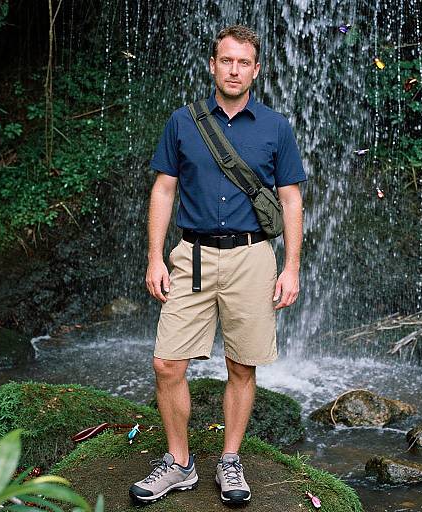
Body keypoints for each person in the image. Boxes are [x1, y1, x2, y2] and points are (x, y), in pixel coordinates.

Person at [129, 24, 306, 505]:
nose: (234, 69)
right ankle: (180, 463)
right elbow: (163, 189)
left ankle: (230, 461)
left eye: (243, 62)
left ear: (256, 69)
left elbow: (291, 200)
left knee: (242, 366)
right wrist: (154, 257)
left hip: (252, 257)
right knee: (167, 363)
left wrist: (290, 267)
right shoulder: (183, 122)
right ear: (212, 65)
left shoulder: (276, 127)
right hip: (194, 255)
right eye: (225, 60)